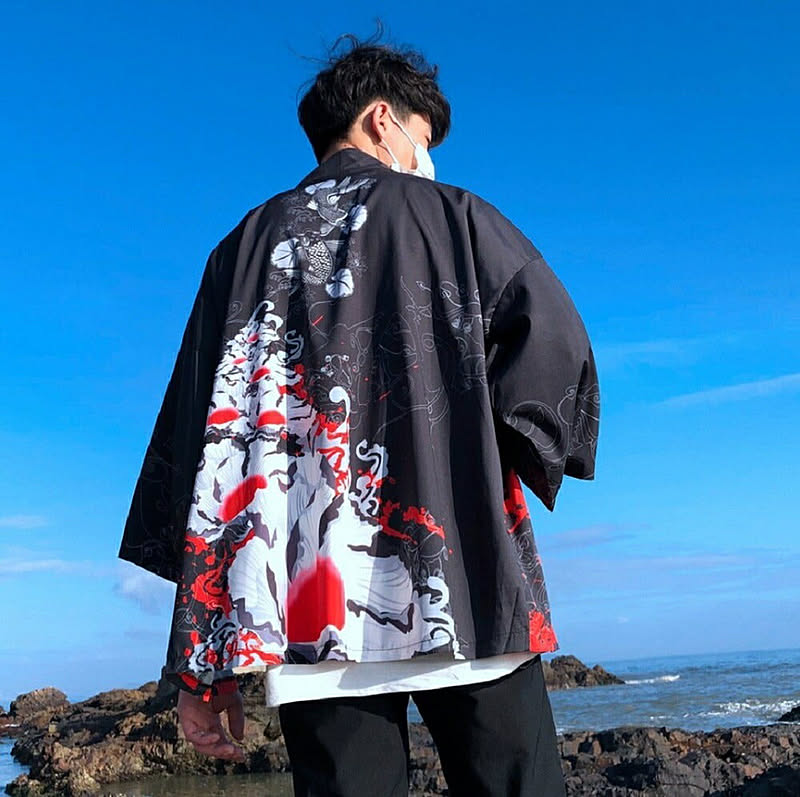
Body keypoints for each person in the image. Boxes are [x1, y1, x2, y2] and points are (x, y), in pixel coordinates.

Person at [118, 33, 600, 796]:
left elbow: (200, 446)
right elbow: (554, 343)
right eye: (422, 139)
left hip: (308, 616)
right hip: (467, 584)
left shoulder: (239, 252)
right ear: (382, 120)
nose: (424, 158)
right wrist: (502, 452)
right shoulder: (455, 217)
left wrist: (202, 661)